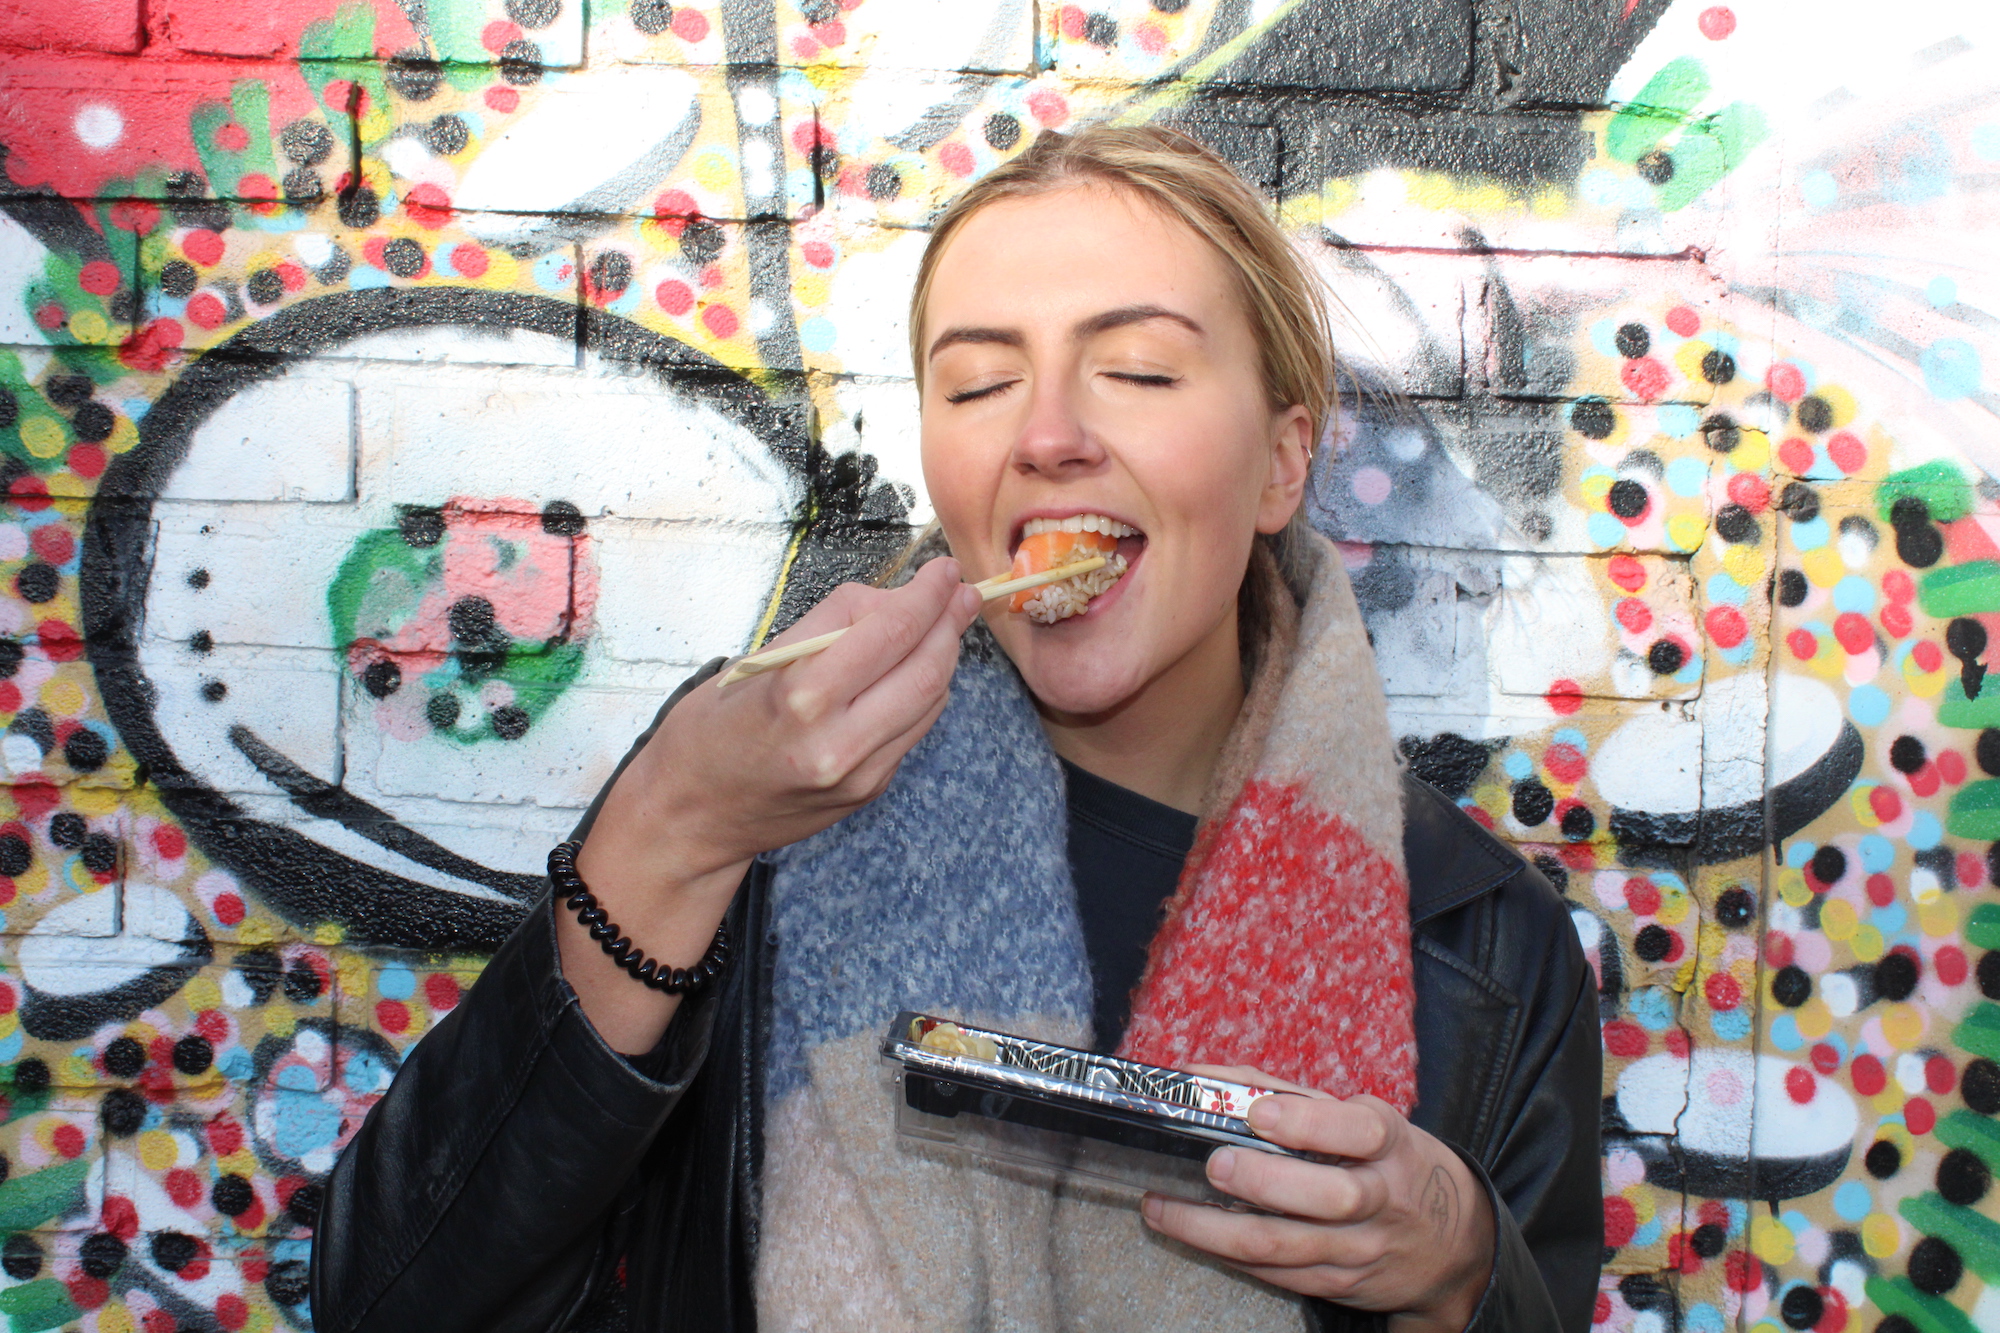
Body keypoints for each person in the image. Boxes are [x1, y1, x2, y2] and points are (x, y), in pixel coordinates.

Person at [311, 126, 1600, 1333]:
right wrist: (671, 830)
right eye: (980, 382)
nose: (1044, 436)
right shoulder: (746, 789)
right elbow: (392, 1297)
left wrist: (1462, 1266)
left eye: (1139, 370)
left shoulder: (1479, 941)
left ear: (1280, 464)